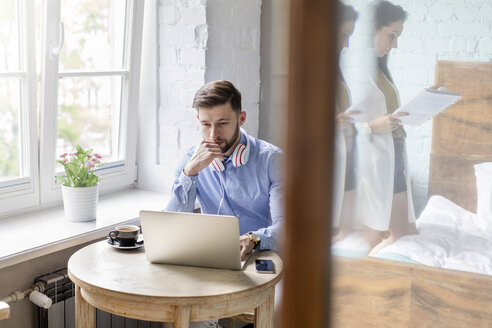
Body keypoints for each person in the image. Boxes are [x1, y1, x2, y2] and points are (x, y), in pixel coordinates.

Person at [165, 80, 284, 328]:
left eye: (222, 124)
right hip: (215, 262)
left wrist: (253, 239)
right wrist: (190, 174)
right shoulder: (191, 159)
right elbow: (170, 224)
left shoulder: (272, 160)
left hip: (267, 257)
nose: (213, 135)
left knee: (279, 311)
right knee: (189, 315)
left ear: (241, 118)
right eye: (205, 124)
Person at [357, 0, 417, 253]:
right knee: (376, 235)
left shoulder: (379, 69)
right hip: (373, 161)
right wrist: (371, 126)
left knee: (405, 232)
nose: (394, 45)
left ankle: (376, 262)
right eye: (391, 36)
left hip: (394, 154)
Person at [332, 3, 360, 244]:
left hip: (348, 144)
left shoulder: (335, 68)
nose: (346, 44)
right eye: (344, 35)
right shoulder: (313, 68)